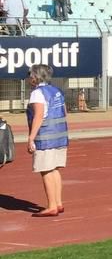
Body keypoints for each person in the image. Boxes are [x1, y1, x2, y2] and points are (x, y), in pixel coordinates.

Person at [26, 63, 68, 217]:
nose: (29, 77)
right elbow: (64, 112)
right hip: (60, 136)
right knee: (54, 169)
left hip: (45, 137)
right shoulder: (56, 90)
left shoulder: (37, 93)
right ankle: (58, 203)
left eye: (31, 75)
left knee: (46, 170)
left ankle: (51, 206)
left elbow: (38, 115)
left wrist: (31, 138)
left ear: (36, 77)